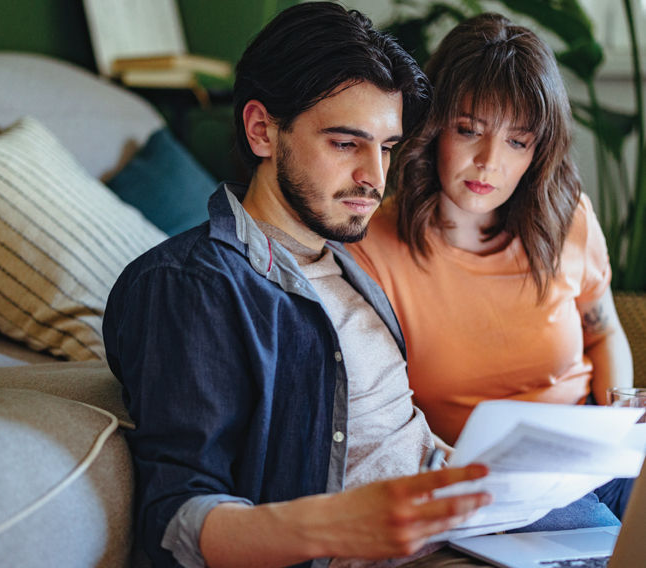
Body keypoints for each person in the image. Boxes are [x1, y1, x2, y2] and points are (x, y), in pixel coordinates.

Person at [103, 3, 496, 567]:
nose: (374, 177)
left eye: (385, 147)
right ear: (263, 129)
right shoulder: (192, 284)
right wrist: (332, 527)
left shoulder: (343, 265)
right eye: (344, 143)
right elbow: (174, 517)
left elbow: (395, 439)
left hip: (470, 523)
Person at [347, 14, 635, 519]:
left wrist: (615, 428)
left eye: (517, 141)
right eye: (468, 130)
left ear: (538, 150)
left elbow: (604, 331)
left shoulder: (568, 218)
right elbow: (376, 418)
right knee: (587, 525)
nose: (489, 161)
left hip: (590, 460)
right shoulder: (372, 245)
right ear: (433, 127)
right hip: (475, 481)